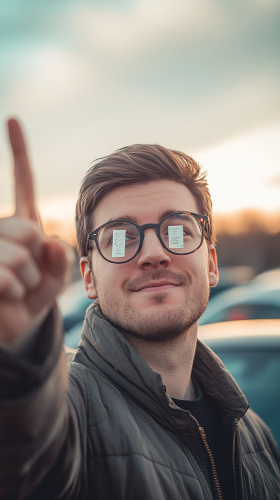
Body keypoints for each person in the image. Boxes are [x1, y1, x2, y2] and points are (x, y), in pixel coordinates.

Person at [0, 118, 279, 500]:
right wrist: (18, 349)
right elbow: (22, 451)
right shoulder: (71, 416)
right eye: (119, 240)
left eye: (178, 229)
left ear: (211, 263)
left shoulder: (257, 438)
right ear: (89, 278)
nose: (154, 253)